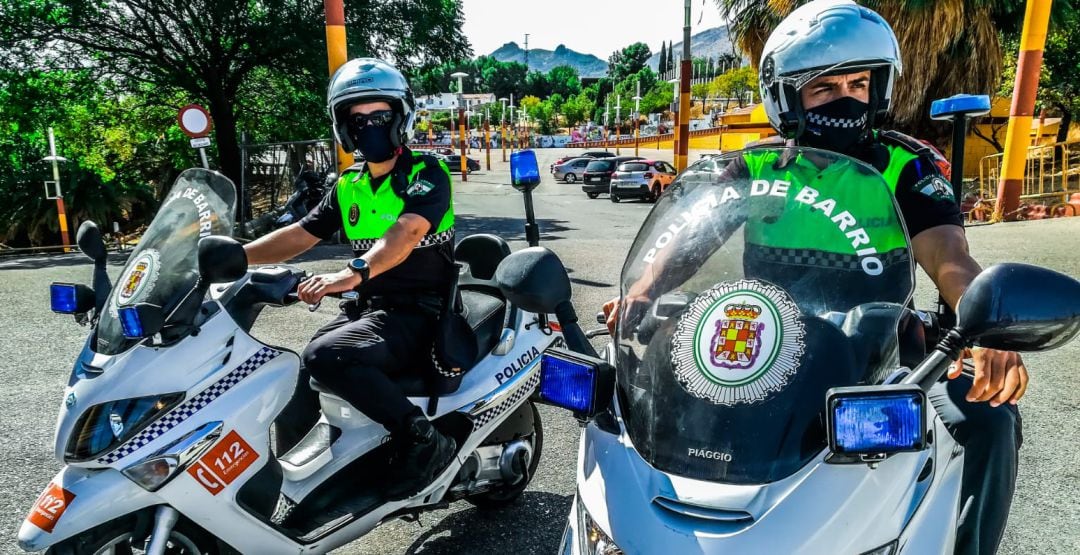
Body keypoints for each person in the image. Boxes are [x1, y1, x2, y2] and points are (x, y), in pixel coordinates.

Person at [603, 2, 1023, 553]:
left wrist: (984, 321)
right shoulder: (753, 167)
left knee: (988, 418)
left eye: (859, 82)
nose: (847, 97)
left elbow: (949, 257)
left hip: (874, 366)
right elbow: (689, 238)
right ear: (784, 95)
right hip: (765, 352)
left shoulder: (905, 166)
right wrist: (643, 291)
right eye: (825, 88)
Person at [243, 57, 457, 499]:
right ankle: (296, 484)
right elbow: (301, 234)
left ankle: (422, 440)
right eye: (356, 119)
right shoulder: (349, 184)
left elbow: (406, 232)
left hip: (421, 314)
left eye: (379, 116)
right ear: (343, 127)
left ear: (401, 118)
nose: (369, 126)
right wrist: (233, 257)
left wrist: (353, 272)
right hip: (372, 312)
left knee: (328, 355)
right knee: (293, 369)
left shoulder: (425, 173)